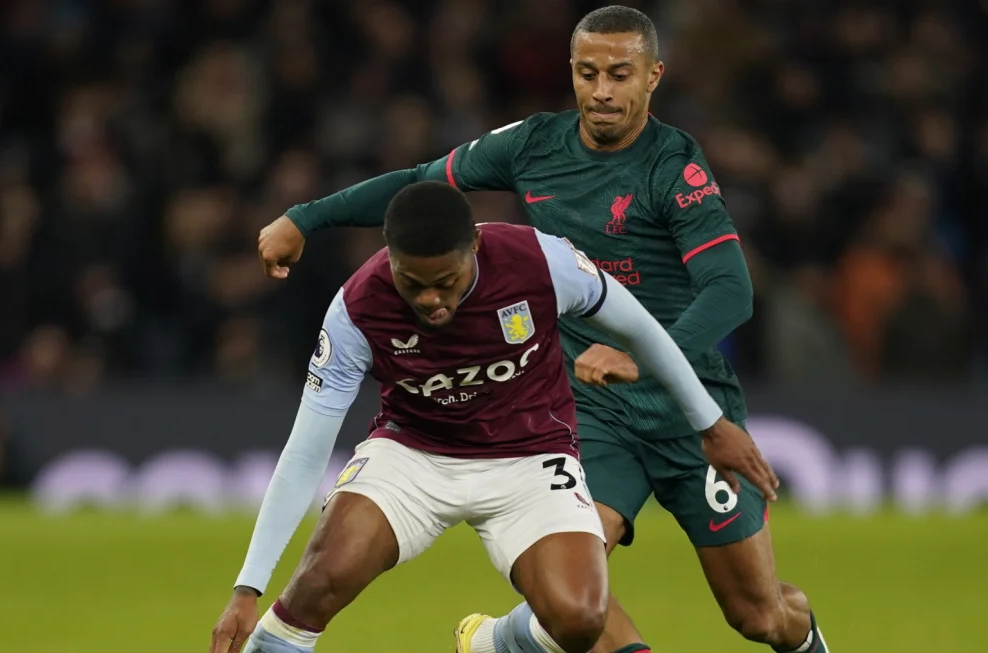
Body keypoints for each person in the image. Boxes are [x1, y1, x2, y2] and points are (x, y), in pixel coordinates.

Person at [254, 6, 829, 653]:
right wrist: (306, 218)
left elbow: (730, 289)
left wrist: (641, 357)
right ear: (572, 75)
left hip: (687, 409)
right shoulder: (531, 145)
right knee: (576, 581)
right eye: (588, 74)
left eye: (619, 74)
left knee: (758, 616)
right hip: (587, 410)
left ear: (652, 76)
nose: (602, 90)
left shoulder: (673, 165)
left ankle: (498, 641)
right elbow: (421, 185)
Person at [209, 181, 775, 653]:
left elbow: (642, 330)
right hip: (413, 458)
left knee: (579, 620)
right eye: (413, 283)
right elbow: (306, 449)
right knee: (318, 583)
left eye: (446, 282)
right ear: (389, 259)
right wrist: (247, 586)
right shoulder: (358, 306)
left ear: (475, 246)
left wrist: (710, 423)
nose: (430, 300)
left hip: (531, 458)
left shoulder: (541, 262)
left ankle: (491, 642)